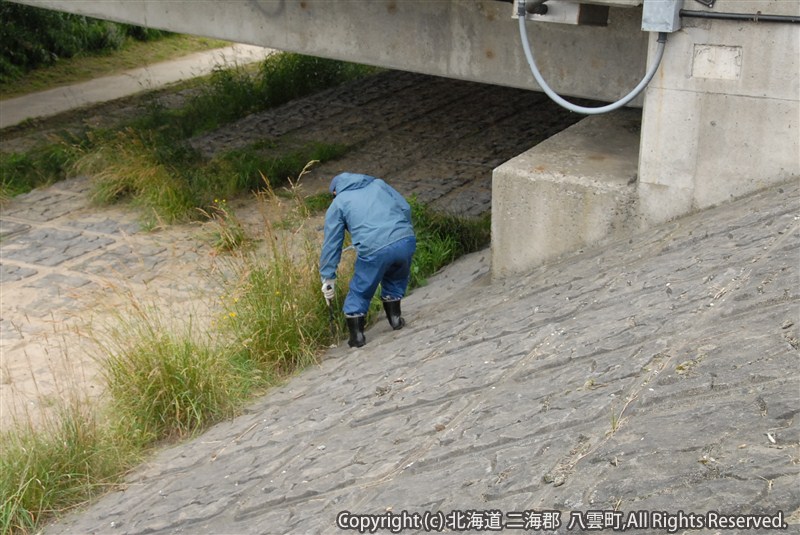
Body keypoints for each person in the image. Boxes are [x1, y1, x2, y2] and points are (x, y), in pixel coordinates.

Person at [320, 172, 416, 348]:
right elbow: (405, 208)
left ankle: (357, 337)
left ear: (335, 191)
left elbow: (332, 244)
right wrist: (404, 232)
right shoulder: (379, 184)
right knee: (396, 277)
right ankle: (395, 319)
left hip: (374, 249)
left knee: (361, 287)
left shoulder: (338, 203)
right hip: (405, 239)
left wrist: (328, 277)